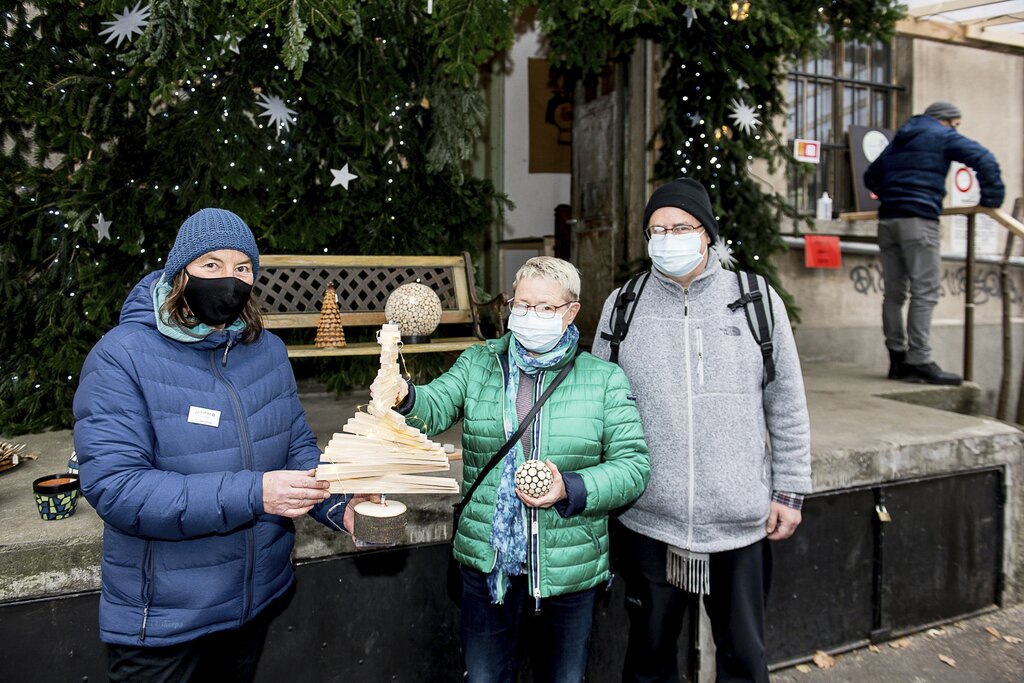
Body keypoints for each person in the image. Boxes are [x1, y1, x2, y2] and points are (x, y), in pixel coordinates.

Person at [74, 208, 366, 682]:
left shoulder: (265, 350)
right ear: (179, 273)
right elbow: (117, 488)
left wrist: (338, 504)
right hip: (166, 622)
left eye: (242, 267)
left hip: (252, 603)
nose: (229, 279)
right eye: (211, 264)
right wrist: (256, 493)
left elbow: (295, 448)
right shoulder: (121, 355)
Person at [383, 256, 650, 683]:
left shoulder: (603, 379)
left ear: (571, 311)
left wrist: (570, 487)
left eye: (545, 308)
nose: (529, 316)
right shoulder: (479, 362)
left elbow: (634, 467)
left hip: (569, 566)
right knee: (485, 677)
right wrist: (405, 396)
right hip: (487, 561)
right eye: (521, 305)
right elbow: (433, 408)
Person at [591, 178, 812, 683]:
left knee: (744, 659)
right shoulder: (624, 305)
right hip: (649, 518)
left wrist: (791, 489)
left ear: (707, 233)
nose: (668, 238)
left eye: (681, 227)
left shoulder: (756, 299)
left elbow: (786, 400)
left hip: (739, 519)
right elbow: (597, 405)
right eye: (656, 229)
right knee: (648, 660)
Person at [865, 101, 1005, 385]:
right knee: (925, 292)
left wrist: (894, 194)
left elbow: (871, 177)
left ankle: (897, 360)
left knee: (893, 293)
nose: (956, 129)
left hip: (888, 221)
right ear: (946, 120)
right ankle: (919, 360)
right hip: (919, 221)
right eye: (956, 124)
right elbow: (985, 159)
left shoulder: (899, 140)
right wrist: (991, 200)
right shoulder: (942, 135)